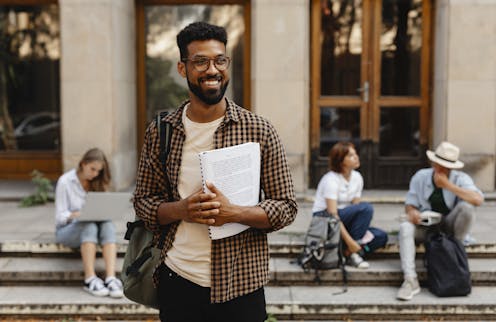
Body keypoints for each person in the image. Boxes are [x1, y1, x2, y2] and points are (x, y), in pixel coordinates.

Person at [133, 22, 297, 322]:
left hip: (241, 283)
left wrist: (235, 213)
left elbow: (286, 207)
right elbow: (143, 202)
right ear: (183, 69)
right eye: (200, 61)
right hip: (178, 278)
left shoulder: (258, 130)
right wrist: (182, 209)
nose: (212, 70)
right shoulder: (161, 131)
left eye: (220, 60)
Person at [396, 141, 484, 301]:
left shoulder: (461, 178)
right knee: (405, 227)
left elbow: (478, 199)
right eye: (438, 165)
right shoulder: (421, 176)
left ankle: (453, 253)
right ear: (433, 162)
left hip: (450, 230)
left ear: (452, 168)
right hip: (426, 226)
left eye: (445, 167)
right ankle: (410, 279)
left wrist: (448, 185)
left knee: (467, 208)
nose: (440, 169)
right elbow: (409, 204)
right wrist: (413, 212)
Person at [54, 148, 123, 298]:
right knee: (88, 225)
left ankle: (111, 278)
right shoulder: (65, 181)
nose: (95, 174)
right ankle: (89, 279)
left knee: (107, 224)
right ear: (83, 164)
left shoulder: (97, 182)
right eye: (92, 169)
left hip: (93, 229)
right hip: (66, 231)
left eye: (98, 171)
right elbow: (60, 217)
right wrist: (78, 215)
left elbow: (101, 209)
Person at [312, 142, 388, 269]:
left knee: (381, 236)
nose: (356, 157)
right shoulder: (331, 180)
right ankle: (353, 253)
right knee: (366, 208)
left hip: (344, 219)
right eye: (351, 155)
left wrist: (355, 238)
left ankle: (347, 253)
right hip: (325, 221)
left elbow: (356, 210)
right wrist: (350, 241)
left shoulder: (357, 177)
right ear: (341, 161)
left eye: (355, 154)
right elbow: (333, 215)